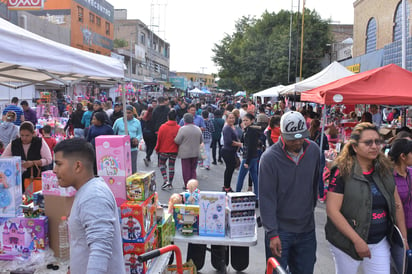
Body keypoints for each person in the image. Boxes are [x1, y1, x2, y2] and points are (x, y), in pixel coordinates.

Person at [325, 122, 407, 274]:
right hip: (346, 243)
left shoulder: (385, 169)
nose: (375, 146)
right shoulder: (342, 171)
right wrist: (357, 240)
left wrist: (404, 240)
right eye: (368, 142)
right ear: (355, 147)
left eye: (377, 142)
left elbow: (397, 205)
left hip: (379, 240)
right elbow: (332, 210)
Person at [259, 111, 320, 273]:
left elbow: (314, 185)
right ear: (282, 134)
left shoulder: (313, 151)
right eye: (293, 138)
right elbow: (266, 198)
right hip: (280, 230)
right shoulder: (269, 158)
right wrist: (272, 233)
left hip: (306, 229)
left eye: (302, 137)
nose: (298, 141)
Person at [53, 138, 125, 274]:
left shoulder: (94, 196)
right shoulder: (88, 190)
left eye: (59, 164)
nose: (54, 170)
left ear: (77, 166)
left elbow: (100, 250)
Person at [1, 121, 52, 191]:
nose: (24, 138)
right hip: (19, 180)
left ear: (33, 134)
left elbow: (48, 159)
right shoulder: (14, 144)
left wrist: (33, 163)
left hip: (36, 178)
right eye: (22, 135)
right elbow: (3, 159)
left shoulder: (40, 142)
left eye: (27, 135)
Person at [389, 139, 412, 253]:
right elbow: (398, 207)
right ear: (403, 156)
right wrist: (404, 238)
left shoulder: (411, 173)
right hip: (399, 231)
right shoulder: (389, 177)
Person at [174, 113, 203, 190]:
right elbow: (201, 140)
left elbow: (177, 140)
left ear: (185, 120)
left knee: (186, 170)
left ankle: (187, 185)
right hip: (195, 152)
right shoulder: (198, 129)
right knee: (193, 169)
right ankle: (193, 185)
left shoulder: (182, 129)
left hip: (185, 153)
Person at [112, 105, 143, 174]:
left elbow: (139, 134)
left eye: (129, 113)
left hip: (132, 148)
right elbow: (113, 132)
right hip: (120, 148)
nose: (127, 115)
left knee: (132, 167)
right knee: (121, 167)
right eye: (126, 113)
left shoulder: (137, 122)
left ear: (132, 113)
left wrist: (136, 139)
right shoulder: (118, 121)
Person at [155, 110, 180, 189]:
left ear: (168, 117)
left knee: (162, 164)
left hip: (163, 150)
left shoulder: (162, 127)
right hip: (174, 150)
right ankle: (170, 183)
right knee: (171, 166)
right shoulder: (178, 128)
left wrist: (157, 148)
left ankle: (165, 180)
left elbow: (159, 139)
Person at [235, 113, 259, 197]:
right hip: (253, 156)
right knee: (254, 177)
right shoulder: (248, 130)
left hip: (248, 157)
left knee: (241, 177)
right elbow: (243, 142)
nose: (244, 122)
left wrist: (247, 161)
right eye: (243, 120)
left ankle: (236, 195)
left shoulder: (251, 131)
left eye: (246, 120)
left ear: (252, 120)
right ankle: (257, 197)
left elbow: (251, 147)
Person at [221, 112, 242, 192]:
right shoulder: (227, 128)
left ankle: (227, 186)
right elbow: (229, 141)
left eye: (233, 118)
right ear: (226, 119)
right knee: (229, 169)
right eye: (230, 118)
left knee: (230, 169)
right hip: (227, 151)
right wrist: (240, 144)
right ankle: (226, 187)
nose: (232, 119)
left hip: (232, 151)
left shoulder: (232, 127)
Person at [309, 119, 329, 203]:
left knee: (310, 175)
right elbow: (326, 147)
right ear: (318, 126)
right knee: (320, 176)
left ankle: (309, 193)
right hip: (320, 155)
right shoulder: (322, 135)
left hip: (309, 156)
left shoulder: (307, 135)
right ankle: (321, 195)